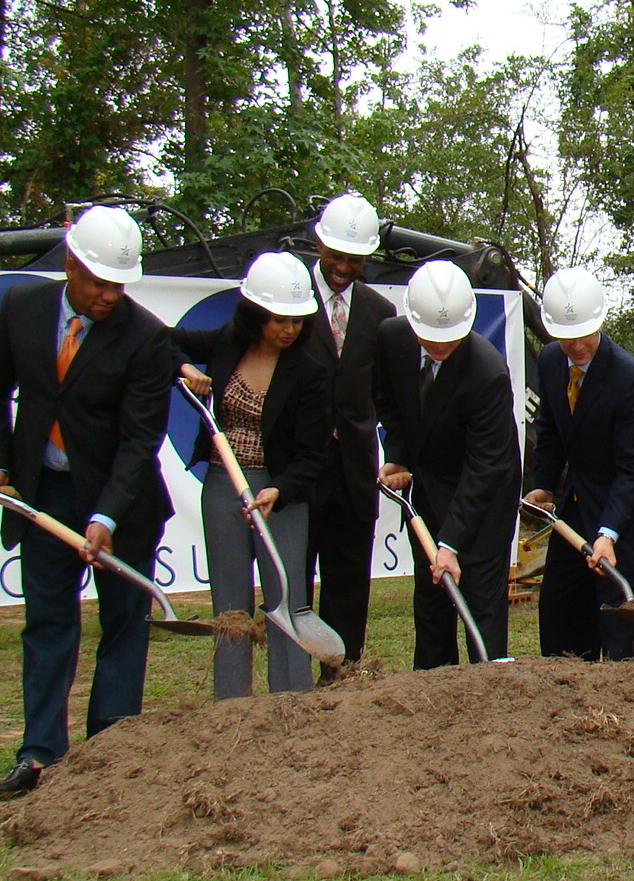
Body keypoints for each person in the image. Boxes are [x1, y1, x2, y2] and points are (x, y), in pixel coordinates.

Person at [0, 205, 172, 797]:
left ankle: (110, 750)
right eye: (99, 282)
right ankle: (40, 755)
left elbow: (141, 440)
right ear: (70, 263)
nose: (110, 295)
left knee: (124, 622)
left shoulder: (146, 337)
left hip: (124, 503)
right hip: (46, 494)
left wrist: (105, 516)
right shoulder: (21, 310)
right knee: (49, 620)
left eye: (119, 285)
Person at [172, 252, 332, 698]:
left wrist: (278, 490)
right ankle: (232, 704)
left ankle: (290, 698)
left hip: (279, 494)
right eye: (279, 319)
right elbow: (166, 342)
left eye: (298, 320)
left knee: (285, 596)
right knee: (229, 600)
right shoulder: (227, 343)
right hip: (224, 486)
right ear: (255, 314)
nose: (289, 329)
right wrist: (184, 368)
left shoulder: (309, 373)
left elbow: (312, 455)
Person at [373, 259, 521, 667]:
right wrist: (398, 456)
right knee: (431, 593)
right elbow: (390, 403)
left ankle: (489, 688)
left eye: (449, 340)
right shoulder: (391, 339)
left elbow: (484, 467)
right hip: (428, 484)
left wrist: (451, 544)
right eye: (430, 338)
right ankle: (433, 688)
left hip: (485, 490)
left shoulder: (487, 372)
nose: (439, 347)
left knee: (480, 599)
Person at [524, 266, 634, 661]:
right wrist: (543, 483)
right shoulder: (552, 362)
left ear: (599, 322)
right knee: (561, 615)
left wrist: (609, 534)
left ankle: (627, 705)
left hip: (628, 518)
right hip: (576, 508)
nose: (576, 346)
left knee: (618, 625)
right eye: (566, 336)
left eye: (584, 334)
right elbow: (551, 429)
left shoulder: (631, 381)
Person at [302, 192, 396, 677]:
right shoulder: (290, 297)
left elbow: (391, 394)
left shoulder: (380, 313)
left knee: (348, 580)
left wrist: (395, 454)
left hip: (355, 471)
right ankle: (293, 676)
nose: (343, 267)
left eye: (354, 259)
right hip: (299, 468)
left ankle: (343, 673)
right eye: (336, 256)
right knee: (296, 579)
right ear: (319, 245)